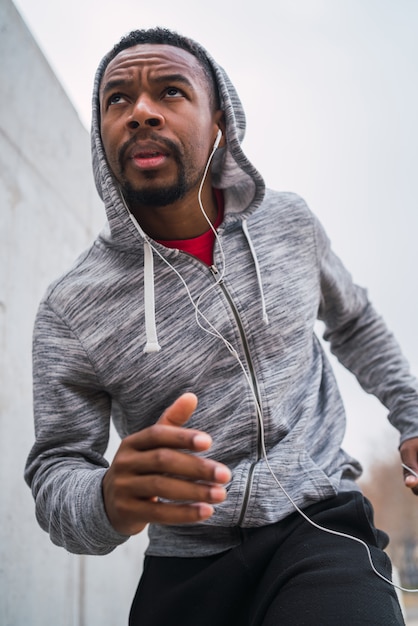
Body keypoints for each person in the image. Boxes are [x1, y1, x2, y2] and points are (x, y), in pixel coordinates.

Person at [25, 27, 418, 625]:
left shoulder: (289, 224)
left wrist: (412, 415)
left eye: (171, 91)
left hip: (319, 523)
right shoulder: (72, 306)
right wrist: (106, 499)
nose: (141, 113)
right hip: (186, 561)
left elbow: (355, 321)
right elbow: (58, 470)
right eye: (118, 99)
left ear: (220, 125)